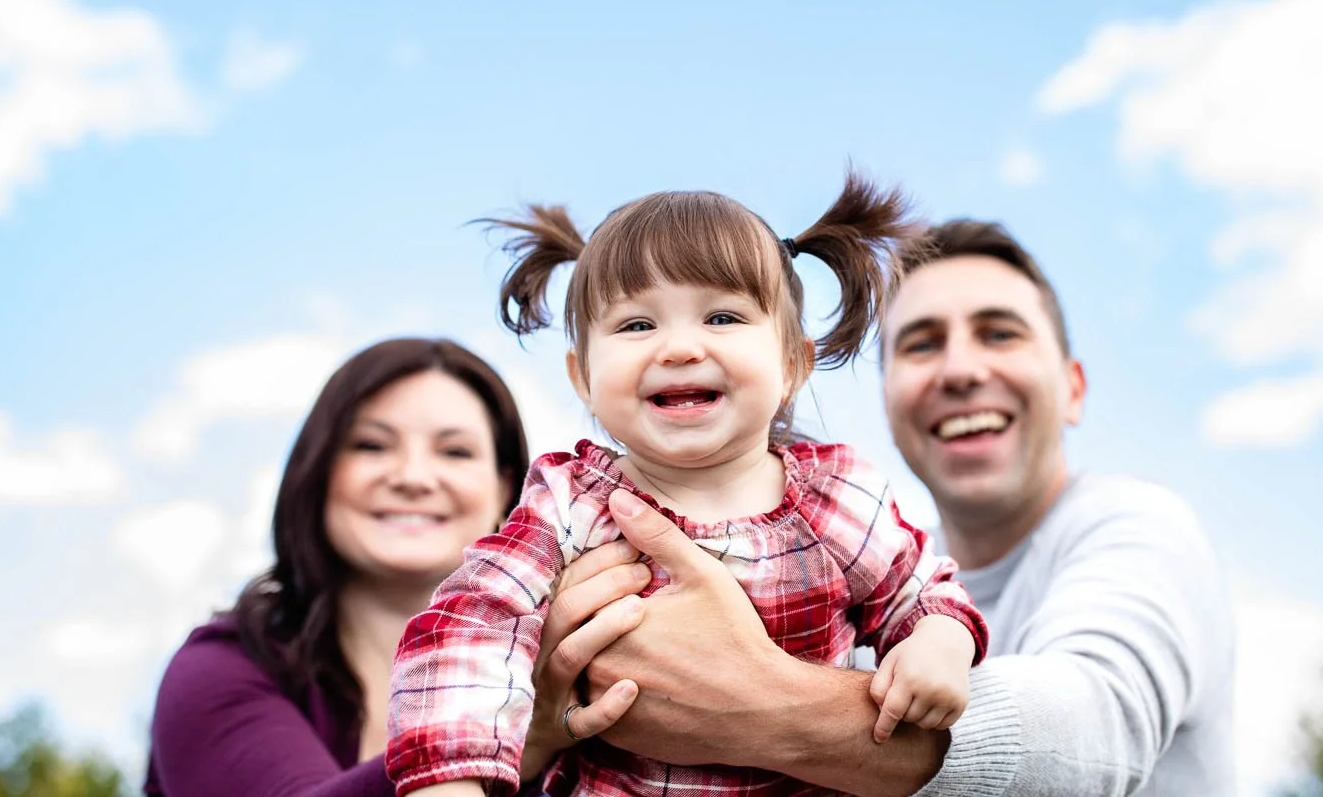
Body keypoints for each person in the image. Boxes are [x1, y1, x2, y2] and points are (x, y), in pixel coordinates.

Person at [565, 219, 1235, 796]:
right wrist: (545, 717)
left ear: (1073, 388)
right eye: (921, 343)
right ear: (886, 397)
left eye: (1000, 334)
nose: (960, 371)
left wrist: (753, 703)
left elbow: (1100, 730)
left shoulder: (1136, 525)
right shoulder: (852, 573)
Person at [384, 175, 990, 797]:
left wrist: (938, 642)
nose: (677, 348)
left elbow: (920, 593)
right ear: (583, 377)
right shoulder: (568, 506)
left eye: (721, 316)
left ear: (792, 364)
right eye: (636, 325)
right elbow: (473, 626)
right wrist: (450, 781)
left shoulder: (836, 498)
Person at [145, 337, 649, 797]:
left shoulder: (588, 667)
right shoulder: (219, 669)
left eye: (454, 451)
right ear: (318, 474)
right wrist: (510, 732)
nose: (412, 477)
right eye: (371, 445)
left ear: (507, 490)